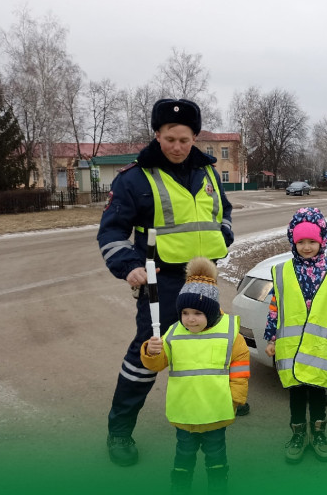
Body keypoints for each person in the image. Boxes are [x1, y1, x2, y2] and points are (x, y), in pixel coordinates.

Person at [97, 98, 234, 466]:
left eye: (184, 139)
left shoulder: (208, 174)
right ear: (157, 135)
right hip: (161, 280)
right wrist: (129, 266)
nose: (177, 146)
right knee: (148, 354)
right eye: (170, 138)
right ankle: (120, 431)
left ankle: (217, 404)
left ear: (195, 139)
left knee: (208, 345)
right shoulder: (134, 179)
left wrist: (225, 236)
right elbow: (111, 232)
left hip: (205, 277)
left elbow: (223, 212)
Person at [141, 257, 249, 495]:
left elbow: (240, 368)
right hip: (185, 413)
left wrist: (236, 399)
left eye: (197, 313)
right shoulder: (172, 333)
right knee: (183, 458)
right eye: (185, 313)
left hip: (216, 412)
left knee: (216, 458)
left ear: (210, 313)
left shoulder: (231, 333)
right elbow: (157, 364)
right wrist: (151, 350)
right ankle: (180, 494)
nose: (190, 319)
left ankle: (218, 494)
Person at [263, 207, 327, 463]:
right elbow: (275, 308)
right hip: (290, 348)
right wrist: (271, 339)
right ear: (293, 241)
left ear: (322, 241)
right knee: (296, 393)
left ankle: (319, 434)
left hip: (320, 349)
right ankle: (298, 434)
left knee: (317, 393)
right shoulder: (283, 272)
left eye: (312, 241)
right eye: (300, 241)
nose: (306, 247)